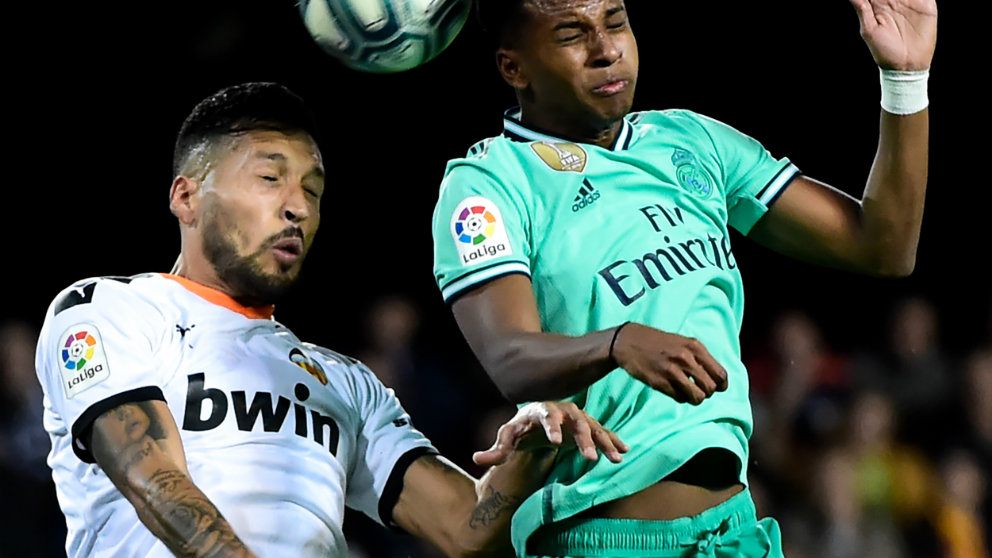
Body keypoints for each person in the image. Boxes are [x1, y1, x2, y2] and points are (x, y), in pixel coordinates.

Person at [34, 81, 629, 558]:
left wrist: (528, 453)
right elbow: (156, 483)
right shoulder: (109, 310)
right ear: (187, 197)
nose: (297, 206)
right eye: (269, 178)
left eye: (313, 190)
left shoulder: (348, 384)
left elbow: (466, 530)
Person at [428, 0, 937, 556]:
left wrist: (905, 80)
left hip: (736, 531)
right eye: (573, 33)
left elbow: (883, 247)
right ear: (513, 68)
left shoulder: (692, 141)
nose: (606, 49)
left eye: (616, 21)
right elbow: (510, 358)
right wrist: (617, 344)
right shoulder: (489, 182)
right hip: (601, 540)